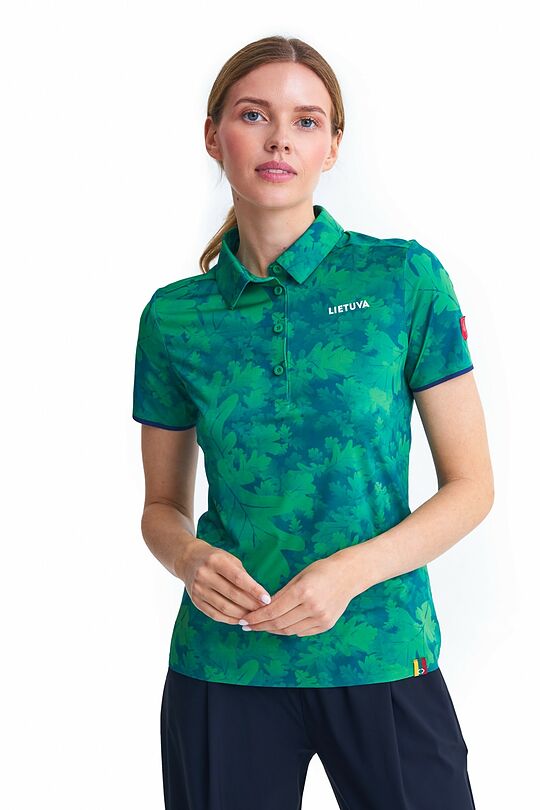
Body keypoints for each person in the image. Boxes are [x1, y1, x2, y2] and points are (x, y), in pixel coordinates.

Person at [132, 35, 493, 810]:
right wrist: (189, 558)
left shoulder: (402, 279)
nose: (278, 140)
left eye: (305, 121)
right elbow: (160, 506)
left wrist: (349, 573)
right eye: (253, 115)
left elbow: (472, 487)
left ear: (332, 146)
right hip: (225, 662)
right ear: (212, 136)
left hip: (380, 646)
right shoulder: (174, 317)